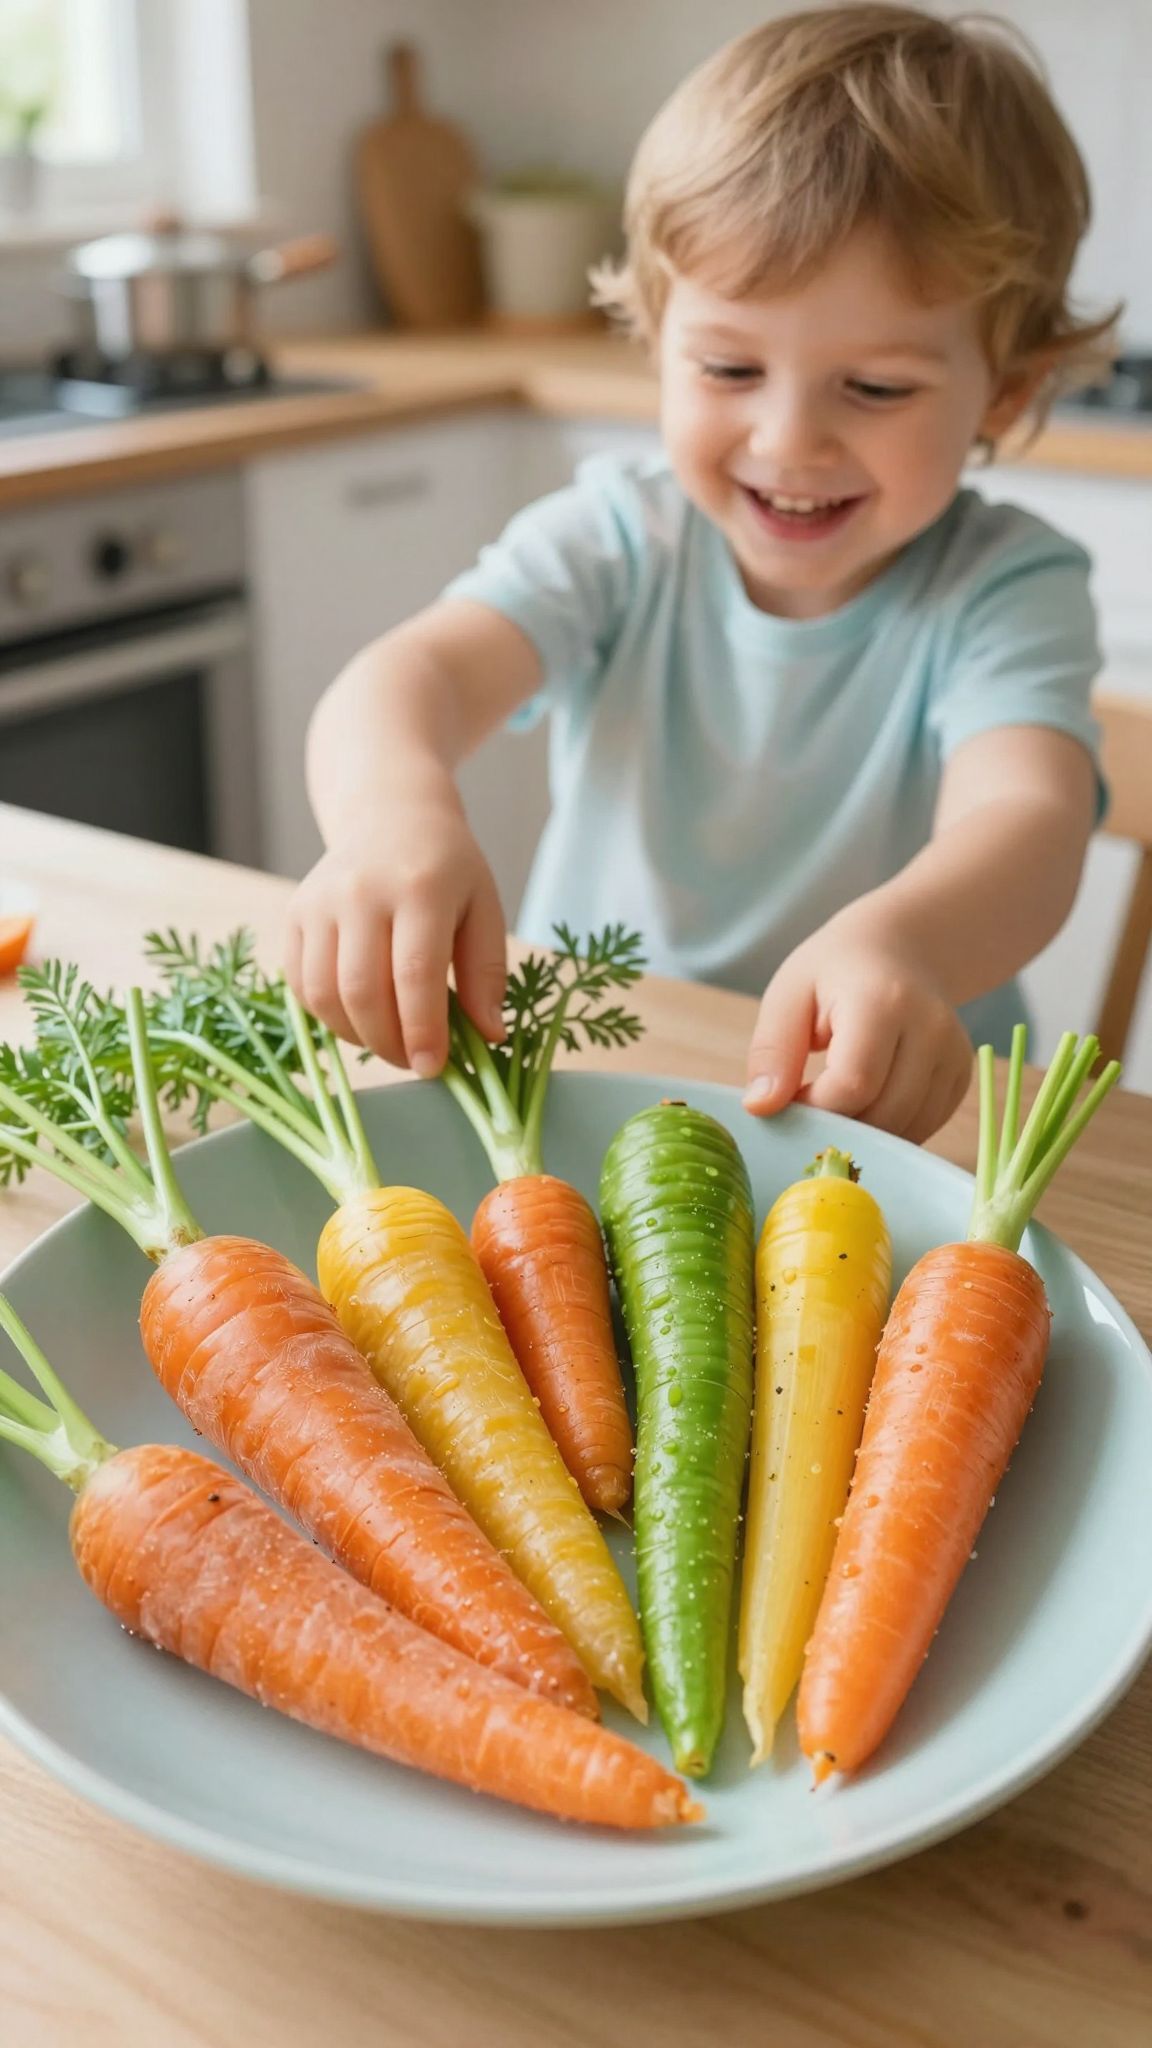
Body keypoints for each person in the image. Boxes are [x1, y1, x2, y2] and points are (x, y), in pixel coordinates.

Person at [287, 4, 1115, 1144]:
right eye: (729, 366)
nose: (789, 440)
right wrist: (392, 816)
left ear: (1007, 392)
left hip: (877, 1114)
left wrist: (907, 944)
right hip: (600, 1077)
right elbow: (403, 678)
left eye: (874, 389)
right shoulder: (620, 537)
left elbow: (1029, 817)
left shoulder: (1005, 584)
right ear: (655, 338)